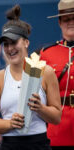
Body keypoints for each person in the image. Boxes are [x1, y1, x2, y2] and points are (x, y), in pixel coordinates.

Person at [0, 5, 62, 150]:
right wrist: (9, 123)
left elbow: (57, 117)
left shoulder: (46, 72)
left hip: (39, 144)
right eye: (5, 44)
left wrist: (40, 108)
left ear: (26, 42)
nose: (9, 48)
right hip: (9, 145)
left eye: (14, 42)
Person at [39, 0, 74, 149]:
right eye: (66, 19)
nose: (70, 22)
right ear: (59, 22)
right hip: (58, 128)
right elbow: (39, 93)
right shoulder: (47, 53)